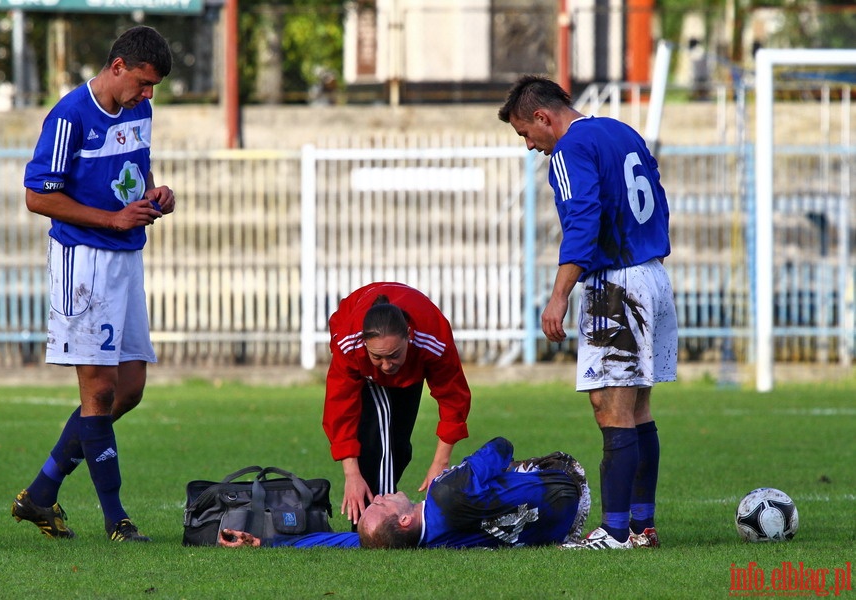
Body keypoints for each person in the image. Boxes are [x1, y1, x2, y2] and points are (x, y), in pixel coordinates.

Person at [497, 75, 678, 550]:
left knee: (611, 406)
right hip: (652, 272)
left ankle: (616, 531)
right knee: (637, 405)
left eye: (525, 134)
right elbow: (656, 195)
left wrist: (559, 295)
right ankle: (642, 525)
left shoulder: (568, 148)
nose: (530, 145)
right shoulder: (621, 131)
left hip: (617, 282)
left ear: (543, 116)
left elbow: (583, 220)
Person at [12, 25, 175, 542]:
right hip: (82, 262)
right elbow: (38, 197)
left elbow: (137, 170)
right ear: (119, 66)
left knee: (128, 390)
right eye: (144, 82)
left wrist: (155, 195)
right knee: (99, 390)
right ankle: (116, 520)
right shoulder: (70, 116)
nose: (148, 95)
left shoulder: (140, 111)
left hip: (126, 258)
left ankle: (42, 492)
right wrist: (111, 220)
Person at [218, 436, 590, 549]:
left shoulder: (423, 543)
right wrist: (457, 471)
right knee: (494, 471)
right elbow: (503, 445)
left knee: (484, 500)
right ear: (405, 518)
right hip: (568, 482)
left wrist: (264, 544)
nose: (378, 497)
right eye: (380, 504)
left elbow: (341, 543)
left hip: (559, 528)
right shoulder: (443, 493)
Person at [323, 282, 472, 527]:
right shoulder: (351, 345)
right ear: (364, 344)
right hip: (365, 373)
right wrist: (351, 474)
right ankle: (374, 527)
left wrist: (440, 465)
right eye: (378, 356)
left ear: (409, 338)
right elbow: (339, 407)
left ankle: (376, 518)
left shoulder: (432, 339)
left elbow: (454, 399)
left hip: (412, 369)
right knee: (381, 446)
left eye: (393, 354)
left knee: (399, 449)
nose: (386, 365)